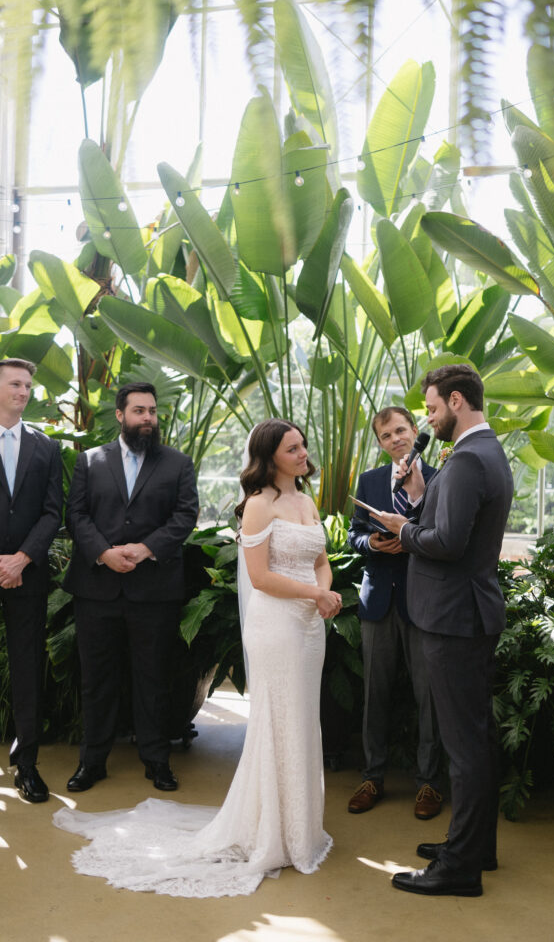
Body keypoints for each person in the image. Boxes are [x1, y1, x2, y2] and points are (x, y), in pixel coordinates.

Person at [53, 418, 341, 898]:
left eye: (303, 445)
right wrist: (314, 595)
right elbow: (261, 577)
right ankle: (271, 830)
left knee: (302, 719)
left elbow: (320, 560)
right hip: (278, 625)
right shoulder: (258, 506)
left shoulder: (307, 501)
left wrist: (324, 595)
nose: (303, 453)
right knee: (279, 720)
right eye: (293, 448)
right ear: (271, 458)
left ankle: (301, 826)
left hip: (311, 626)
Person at [375, 364, 513, 898]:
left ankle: (460, 867)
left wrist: (404, 530)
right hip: (466, 615)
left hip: (454, 618)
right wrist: (414, 509)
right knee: (474, 737)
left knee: (464, 745)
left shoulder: (467, 461)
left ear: (456, 401)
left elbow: (448, 543)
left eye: (431, 408)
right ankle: (475, 844)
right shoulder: (485, 453)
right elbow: (454, 528)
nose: (427, 418)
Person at [62, 381, 199, 793]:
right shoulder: (90, 460)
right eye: (139, 411)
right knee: (96, 679)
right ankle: (93, 762)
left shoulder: (178, 463)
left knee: (153, 678)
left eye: (153, 411)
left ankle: (157, 761)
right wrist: (104, 553)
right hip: (97, 588)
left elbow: (185, 515)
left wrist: (144, 549)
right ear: (120, 415)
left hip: (155, 591)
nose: (148, 419)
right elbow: (76, 515)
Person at [347, 406, 441, 819]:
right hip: (378, 599)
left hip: (424, 603)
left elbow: (445, 536)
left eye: (401, 430)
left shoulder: (439, 479)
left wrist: (412, 538)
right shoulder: (368, 481)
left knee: (429, 697)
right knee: (375, 695)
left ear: (415, 431)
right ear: (381, 442)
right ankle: (372, 777)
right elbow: (354, 534)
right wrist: (373, 544)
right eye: (386, 435)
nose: (395, 439)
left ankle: (429, 785)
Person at [0, 358, 62, 803]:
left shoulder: (46, 447)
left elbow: (51, 512)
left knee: (26, 670)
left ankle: (28, 765)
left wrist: (21, 559)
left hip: (28, 573)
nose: (23, 392)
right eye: (14, 384)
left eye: (27, 385)